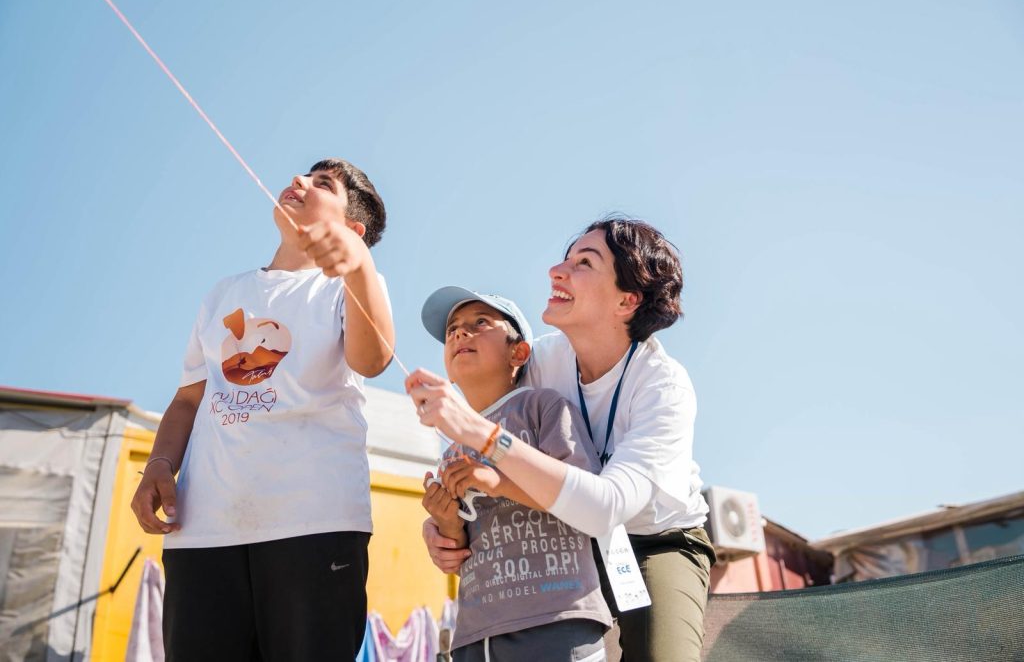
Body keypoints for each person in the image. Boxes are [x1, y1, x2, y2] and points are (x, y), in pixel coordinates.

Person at [411, 217, 715, 662]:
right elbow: (482, 463)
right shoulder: (538, 362)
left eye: (584, 263)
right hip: (563, 539)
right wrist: (442, 527)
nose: (557, 270)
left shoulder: (663, 387)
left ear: (627, 300)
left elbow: (604, 508)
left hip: (655, 539)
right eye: (566, 258)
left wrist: (481, 433)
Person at [130, 158, 394, 661]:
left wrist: (359, 265)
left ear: (353, 230)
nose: (299, 182)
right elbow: (189, 397)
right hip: (203, 531)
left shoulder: (352, 287)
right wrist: (160, 465)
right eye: (302, 174)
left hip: (315, 527)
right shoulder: (223, 295)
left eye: (323, 185)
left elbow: (373, 358)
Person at [419, 287, 611, 662]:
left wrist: (495, 481)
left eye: (480, 323)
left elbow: (584, 501)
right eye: (452, 330)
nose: (460, 333)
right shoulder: (450, 449)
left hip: (558, 621)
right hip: (475, 635)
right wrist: (445, 520)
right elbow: (459, 552)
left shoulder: (544, 407)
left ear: (518, 352)